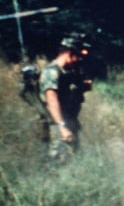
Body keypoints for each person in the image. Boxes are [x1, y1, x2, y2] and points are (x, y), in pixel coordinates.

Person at [39, 33, 92, 164]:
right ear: (69, 53)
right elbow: (51, 100)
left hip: (68, 122)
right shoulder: (52, 72)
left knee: (72, 160)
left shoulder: (68, 72)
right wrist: (62, 126)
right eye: (78, 56)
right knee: (58, 164)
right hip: (57, 125)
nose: (79, 59)